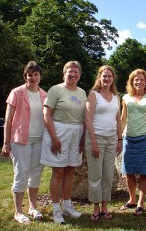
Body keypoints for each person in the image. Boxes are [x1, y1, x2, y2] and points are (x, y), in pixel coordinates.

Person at [40, 61, 87, 224]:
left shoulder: (82, 92)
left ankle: (67, 206)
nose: (73, 74)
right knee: (58, 172)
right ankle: (56, 210)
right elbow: (46, 114)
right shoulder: (55, 89)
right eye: (70, 72)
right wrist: (53, 137)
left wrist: (83, 137)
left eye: (76, 72)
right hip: (59, 131)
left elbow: (85, 117)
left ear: (79, 75)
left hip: (77, 132)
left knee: (70, 171)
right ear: (64, 73)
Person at [1, 61, 46, 224]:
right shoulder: (17, 92)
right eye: (29, 75)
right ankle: (18, 212)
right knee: (21, 174)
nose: (32, 78)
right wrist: (6, 143)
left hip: (39, 140)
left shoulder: (44, 94)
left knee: (35, 175)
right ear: (25, 76)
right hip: (20, 140)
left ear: (40, 76)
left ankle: (33, 208)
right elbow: (8, 119)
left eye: (35, 74)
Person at [85, 65, 122, 221]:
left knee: (107, 175)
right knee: (95, 175)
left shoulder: (116, 97)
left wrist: (120, 139)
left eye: (109, 76)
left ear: (113, 79)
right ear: (99, 77)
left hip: (111, 140)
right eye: (104, 76)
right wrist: (93, 143)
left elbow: (118, 120)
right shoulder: (93, 95)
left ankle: (105, 207)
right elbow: (87, 119)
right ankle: (95, 208)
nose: (107, 79)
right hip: (96, 139)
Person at [120, 69, 146, 216]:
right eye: (136, 80)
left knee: (144, 172)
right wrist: (119, 136)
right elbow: (123, 119)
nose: (139, 82)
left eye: (141, 79)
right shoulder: (125, 98)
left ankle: (141, 203)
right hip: (129, 139)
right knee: (129, 172)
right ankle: (132, 200)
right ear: (131, 82)